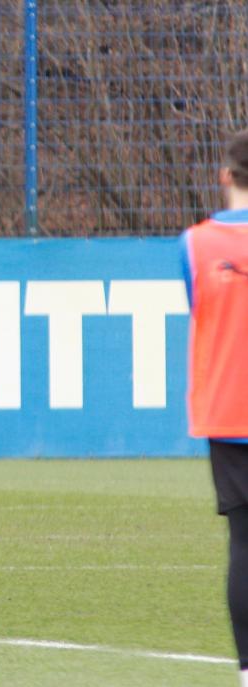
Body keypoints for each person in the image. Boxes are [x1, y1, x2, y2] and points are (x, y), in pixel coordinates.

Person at [181, 130, 248, 687]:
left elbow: (197, 306)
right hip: (228, 413)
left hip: (228, 410)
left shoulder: (195, 243)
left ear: (225, 176)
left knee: (243, 543)